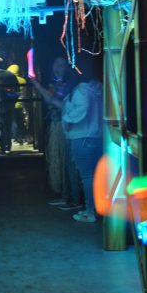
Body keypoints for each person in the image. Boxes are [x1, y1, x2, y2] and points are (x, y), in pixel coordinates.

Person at [37, 58, 103, 222]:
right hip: (95, 137)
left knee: (87, 177)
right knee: (94, 176)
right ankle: (94, 209)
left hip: (81, 137)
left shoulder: (81, 90)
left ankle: (90, 211)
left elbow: (82, 108)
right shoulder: (97, 88)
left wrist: (67, 120)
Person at [30, 56, 75, 203]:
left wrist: (36, 84)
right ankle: (64, 193)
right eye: (56, 64)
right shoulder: (53, 82)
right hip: (55, 125)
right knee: (57, 160)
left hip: (66, 127)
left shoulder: (68, 85)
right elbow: (49, 100)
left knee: (65, 161)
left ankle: (69, 195)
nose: (57, 67)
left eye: (61, 65)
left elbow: (53, 101)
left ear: (67, 68)